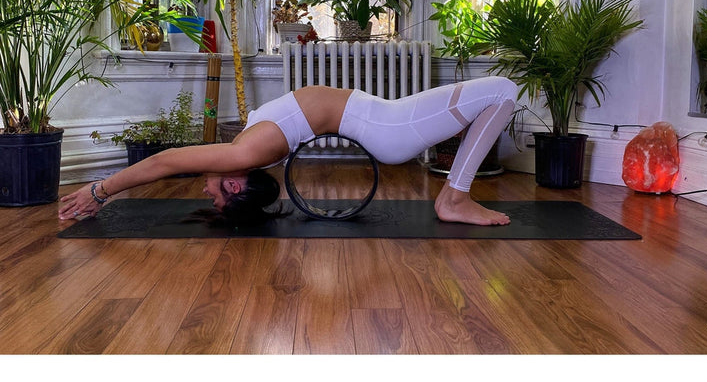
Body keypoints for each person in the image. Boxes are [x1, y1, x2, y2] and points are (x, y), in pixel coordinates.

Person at [59, 77, 518, 226]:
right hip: (391, 126)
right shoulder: (244, 155)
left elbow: (168, 161)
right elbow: (165, 161)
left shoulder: (248, 148)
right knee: (502, 91)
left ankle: (454, 196)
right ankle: (453, 197)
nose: (206, 188)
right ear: (236, 184)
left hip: (388, 119)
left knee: (500, 93)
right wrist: (100, 190)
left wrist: (101, 190)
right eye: (216, 196)